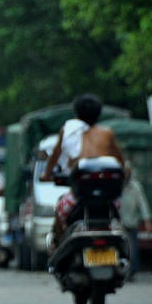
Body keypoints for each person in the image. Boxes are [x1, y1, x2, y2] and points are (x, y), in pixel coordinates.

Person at [39, 94, 125, 247]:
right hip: (109, 197)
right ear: (98, 114)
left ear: (76, 113)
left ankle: (60, 244)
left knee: (60, 210)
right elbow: (121, 163)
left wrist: (46, 175)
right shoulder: (107, 133)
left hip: (80, 197)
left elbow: (54, 157)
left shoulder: (68, 130)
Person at [119, 166, 152, 280]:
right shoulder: (117, 185)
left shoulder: (136, 187)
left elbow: (142, 204)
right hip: (119, 224)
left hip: (132, 222)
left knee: (132, 248)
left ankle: (132, 270)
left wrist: (147, 220)